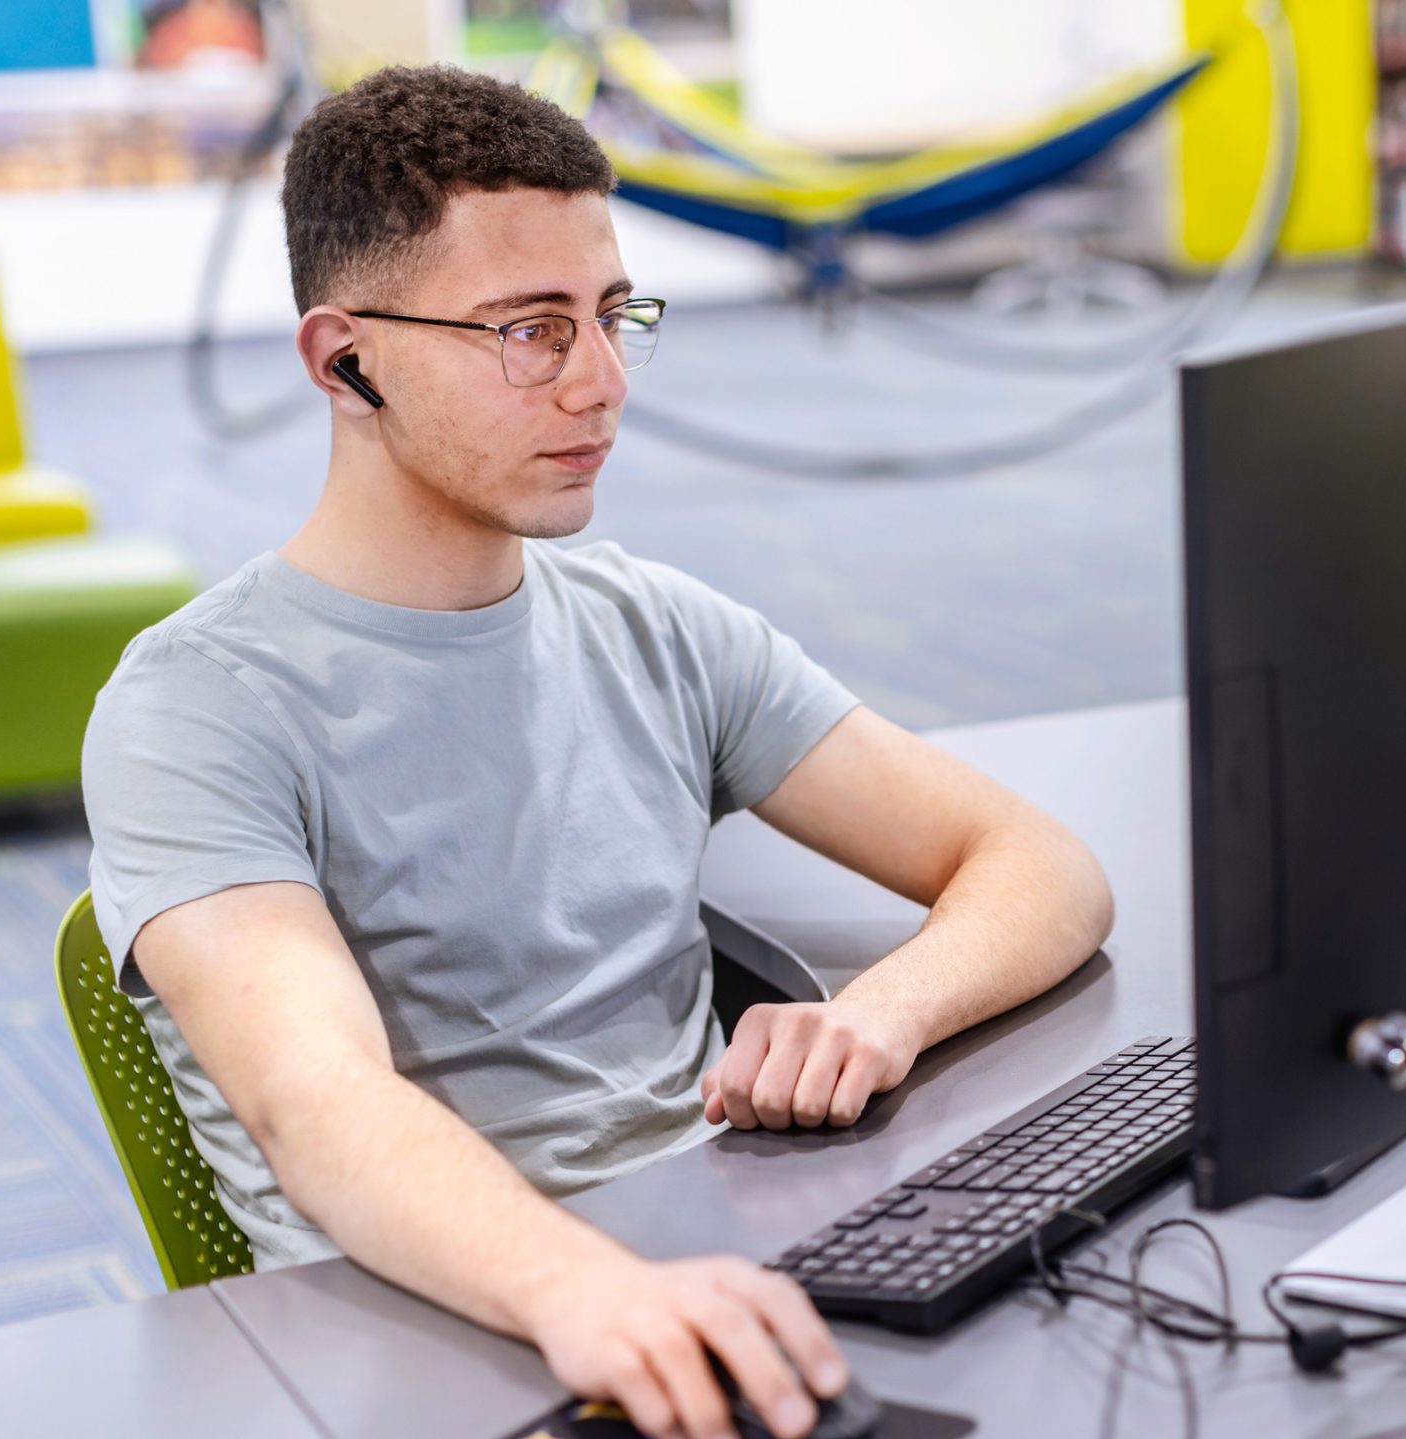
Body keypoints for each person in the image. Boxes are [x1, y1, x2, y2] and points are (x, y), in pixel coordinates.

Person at [80, 66, 1113, 1439]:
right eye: (530, 332)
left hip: (711, 1252)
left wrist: (883, 1011)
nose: (602, 384)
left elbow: (1039, 866)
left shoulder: (656, 626)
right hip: (437, 1327)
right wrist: (594, 1292)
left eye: (614, 317)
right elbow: (312, 1101)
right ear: (345, 360)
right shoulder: (197, 707)